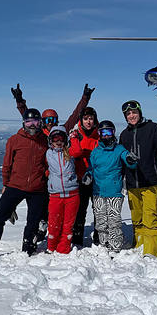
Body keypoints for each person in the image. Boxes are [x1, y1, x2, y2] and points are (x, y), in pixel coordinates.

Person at [9, 83, 95, 242]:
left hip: (61, 178)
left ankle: (64, 234)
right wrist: (20, 101)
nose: (50, 122)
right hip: (44, 178)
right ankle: (40, 231)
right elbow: (26, 115)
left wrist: (85, 98)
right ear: (42, 120)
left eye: (53, 119)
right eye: (47, 119)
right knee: (42, 209)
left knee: (63, 209)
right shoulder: (39, 133)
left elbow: (75, 115)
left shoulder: (61, 131)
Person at [0, 108, 49, 260]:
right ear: (24, 123)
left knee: (33, 221)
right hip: (15, 186)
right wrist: (5, 183)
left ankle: (28, 249)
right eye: (29, 121)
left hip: (37, 188)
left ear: (40, 123)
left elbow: (47, 165)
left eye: (36, 121)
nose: (32, 125)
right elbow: (7, 164)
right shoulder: (14, 140)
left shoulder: (45, 141)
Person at [118, 100, 157, 257]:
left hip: (150, 181)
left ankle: (151, 250)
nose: (132, 115)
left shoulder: (152, 128)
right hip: (132, 183)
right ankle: (139, 245)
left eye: (134, 112)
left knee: (150, 218)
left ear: (140, 112)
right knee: (136, 219)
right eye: (128, 114)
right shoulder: (124, 135)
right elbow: (121, 159)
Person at [81, 120, 137, 252]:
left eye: (109, 132)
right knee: (100, 221)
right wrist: (88, 175)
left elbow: (127, 159)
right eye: (103, 132)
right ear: (99, 134)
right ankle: (104, 244)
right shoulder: (95, 152)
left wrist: (130, 159)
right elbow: (91, 168)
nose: (106, 135)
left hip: (114, 192)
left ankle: (115, 245)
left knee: (113, 221)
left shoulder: (118, 149)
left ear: (113, 133)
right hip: (98, 192)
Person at [45, 126, 80, 254]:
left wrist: (74, 137)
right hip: (55, 195)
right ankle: (51, 247)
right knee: (54, 223)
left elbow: (78, 151)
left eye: (61, 138)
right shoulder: (48, 153)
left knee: (68, 224)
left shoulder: (70, 152)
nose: (58, 141)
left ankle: (63, 248)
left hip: (72, 194)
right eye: (55, 138)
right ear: (50, 140)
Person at [67, 106, 99, 248]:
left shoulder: (99, 136)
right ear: (81, 120)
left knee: (97, 209)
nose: (88, 122)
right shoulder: (75, 135)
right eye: (85, 119)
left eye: (91, 119)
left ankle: (99, 235)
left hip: (97, 179)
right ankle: (77, 236)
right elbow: (74, 154)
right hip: (80, 178)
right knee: (80, 209)